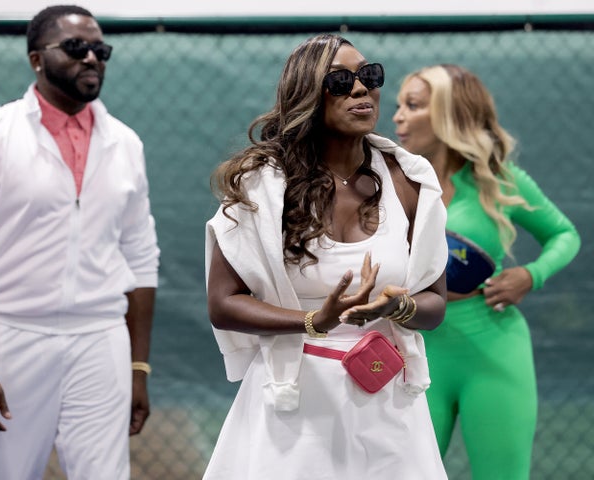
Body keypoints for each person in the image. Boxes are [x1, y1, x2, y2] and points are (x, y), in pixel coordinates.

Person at [203, 33, 450, 479]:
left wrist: (402, 306)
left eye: (369, 76)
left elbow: (434, 303)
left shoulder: (411, 182)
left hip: (387, 400)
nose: (361, 89)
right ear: (306, 95)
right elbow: (223, 304)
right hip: (292, 404)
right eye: (340, 81)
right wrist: (313, 321)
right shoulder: (261, 186)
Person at [0, 5, 160, 479]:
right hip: (10, 337)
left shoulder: (126, 143)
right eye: (76, 48)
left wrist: (138, 367)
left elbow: (140, 257)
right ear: (37, 59)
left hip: (100, 339)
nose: (92, 58)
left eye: (100, 49)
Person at [393, 64, 581, 480]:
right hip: (416, 350)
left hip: (494, 347)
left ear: (448, 114)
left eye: (413, 105)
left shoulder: (500, 181)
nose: (398, 117)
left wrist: (532, 275)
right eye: (399, 106)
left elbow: (565, 235)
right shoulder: (391, 183)